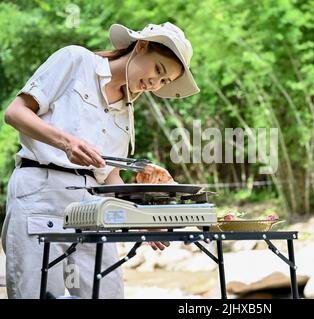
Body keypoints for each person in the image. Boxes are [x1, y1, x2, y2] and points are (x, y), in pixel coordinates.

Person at [1, 22, 200, 299]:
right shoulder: (76, 60)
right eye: (158, 70)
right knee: (37, 294)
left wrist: (144, 220)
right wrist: (66, 142)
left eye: (164, 82)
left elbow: (110, 176)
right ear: (141, 46)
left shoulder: (127, 110)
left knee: (106, 294)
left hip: (95, 210)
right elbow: (15, 113)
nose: (155, 84)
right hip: (41, 195)